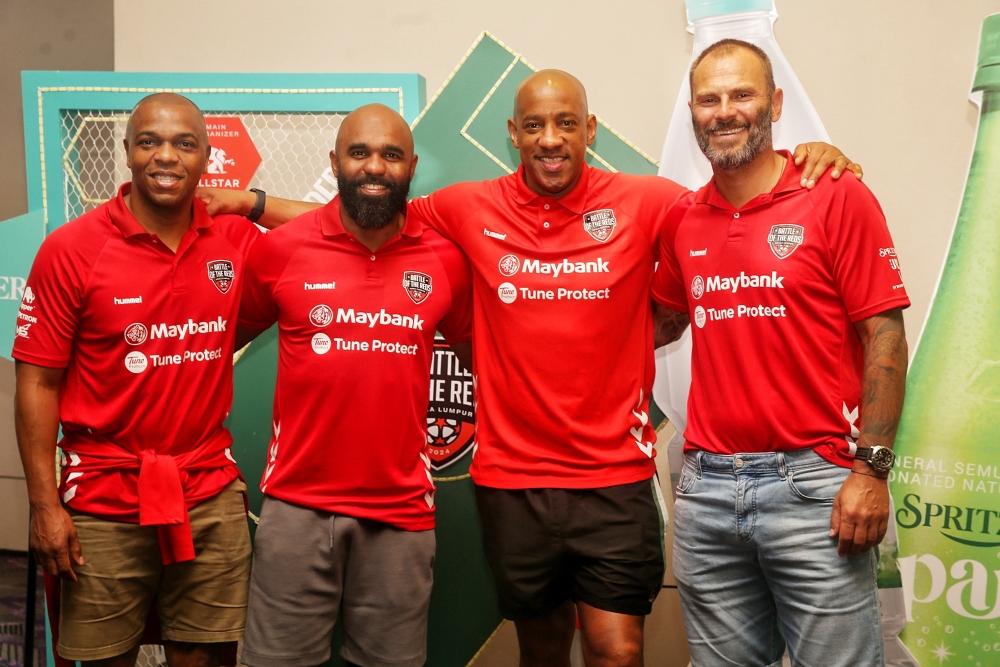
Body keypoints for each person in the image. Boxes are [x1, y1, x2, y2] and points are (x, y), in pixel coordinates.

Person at [199, 72, 858, 667]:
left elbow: (735, 200)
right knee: (541, 647)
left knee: (617, 648)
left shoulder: (650, 200)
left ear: (589, 130)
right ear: (512, 133)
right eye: (535, 125)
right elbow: (360, 218)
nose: (550, 139)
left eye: (566, 123)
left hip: (614, 478)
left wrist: (808, 161)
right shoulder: (465, 206)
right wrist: (256, 203)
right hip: (511, 481)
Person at [650, 39, 909, 666]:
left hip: (816, 489)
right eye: (709, 99)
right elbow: (658, 324)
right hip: (707, 492)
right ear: (693, 113)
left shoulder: (835, 194)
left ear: (776, 103)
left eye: (742, 94)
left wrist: (871, 471)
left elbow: (886, 335)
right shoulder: (683, 219)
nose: (725, 110)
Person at [14, 93, 265, 667]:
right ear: (127, 153)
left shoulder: (237, 242)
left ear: (206, 157)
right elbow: (37, 384)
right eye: (149, 142)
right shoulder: (71, 250)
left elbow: (345, 227)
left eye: (184, 143)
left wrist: (248, 201)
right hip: (102, 498)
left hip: (208, 490)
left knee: (206, 657)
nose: (165, 157)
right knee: (103, 658)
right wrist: (43, 505)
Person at [234, 104, 473, 667]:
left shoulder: (445, 260)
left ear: (411, 166)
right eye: (360, 152)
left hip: (400, 516)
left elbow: (485, 360)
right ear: (335, 161)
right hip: (296, 509)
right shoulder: (281, 249)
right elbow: (216, 346)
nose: (374, 166)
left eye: (391, 155)